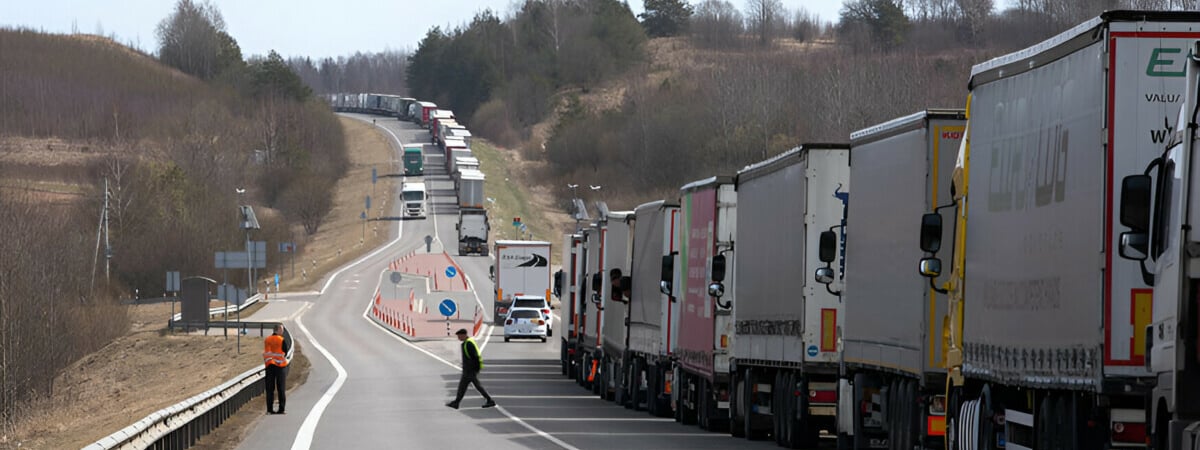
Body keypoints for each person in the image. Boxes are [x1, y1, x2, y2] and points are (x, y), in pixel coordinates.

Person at [446, 328, 496, 409]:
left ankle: (490, 400)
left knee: (474, 386)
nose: (458, 338)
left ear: (464, 335)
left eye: (459, 336)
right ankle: (456, 402)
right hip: (468, 370)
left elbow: (475, 356)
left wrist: (475, 369)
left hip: (470, 370)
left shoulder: (468, 343)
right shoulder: (467, 343)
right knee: (464, 386)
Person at [263, 323, 289, 414]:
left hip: (269, 365)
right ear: (277, 330)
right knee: (281, 388)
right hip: (280, 366)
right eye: (281, 329)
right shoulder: (281, 340)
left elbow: (267, 351)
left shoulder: (267, 339)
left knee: (270, 389)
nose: (282, 331)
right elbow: (285, 351)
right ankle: (281, 409)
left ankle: (269, 409)